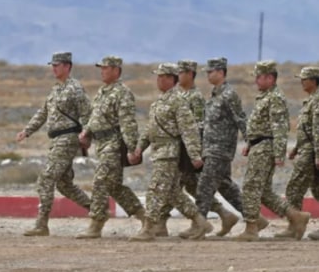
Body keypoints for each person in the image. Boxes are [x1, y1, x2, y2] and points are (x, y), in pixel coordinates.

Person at [128, 63, 209, 241]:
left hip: (169, 152)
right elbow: (150, 130)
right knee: (173, 193)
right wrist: (140, 148)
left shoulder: (178, 101)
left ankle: (149, 228)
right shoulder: (158, 102)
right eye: (158, 76)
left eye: (163, 76)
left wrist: (195, 155)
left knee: (155, 189)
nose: (159, 80)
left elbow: (189, 129)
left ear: (172, 79)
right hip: (158, 152)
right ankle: (200, 222)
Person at [159, 60, 239, 238]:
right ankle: (223, 214)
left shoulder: (195, 97)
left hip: (189, 150)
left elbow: (197, 126)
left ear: (189, 74)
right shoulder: (182, 95)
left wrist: (194, 151)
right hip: (182, 148)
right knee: (189, 186)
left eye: (181, 73)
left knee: (177, 185)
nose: (178, 76)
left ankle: (168, 222)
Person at [16, 52, 91, 237]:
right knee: (64, 184)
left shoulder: (75, 89)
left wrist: (86, 135)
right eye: (52, 65)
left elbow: (87, 113)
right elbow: (43, 113)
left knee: (47, 178)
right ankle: (97, 210)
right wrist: (27, 131)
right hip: (56, 140)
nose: (53, 68)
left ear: (67, 66)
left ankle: (42, 224)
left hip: (68, 139)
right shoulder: (55, 90)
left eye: (57, 65)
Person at [234, 60, 310, 241]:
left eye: (259, 77)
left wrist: (278, 154)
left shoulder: (275, 98)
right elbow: (260, 126)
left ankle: (252, 227)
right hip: (259, 146)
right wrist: (250, 144)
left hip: (266, 148)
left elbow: (279, 128)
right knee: (264, 191)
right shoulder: (265, 97)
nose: (256, 81)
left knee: (251, 187)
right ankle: (295, 216)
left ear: (269, 78)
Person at [76, 56, 146, 239]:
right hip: (101, 144)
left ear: (116, 70)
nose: (102, 71)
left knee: (100, 181)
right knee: (114, 186)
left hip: (114, 144)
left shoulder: (123, 93)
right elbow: (95, 117)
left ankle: (96, 222)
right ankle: (147, 218)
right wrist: (87, 133)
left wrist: (132, 148)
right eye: (101, 68)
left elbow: (128, 123)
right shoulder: (103, 92)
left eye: (105, 68)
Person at [193, 57, 257, 237]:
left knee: (204, 186)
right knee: (226, 186)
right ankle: (255, 218)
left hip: (220, 149)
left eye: (210, 71)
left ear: (221, 72)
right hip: (210, 148)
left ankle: (199, 225)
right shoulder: (215, 94)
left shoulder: (229, 94)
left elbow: (240, 118)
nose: (207, 74)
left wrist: (249, 142)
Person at [277, 67, 319, 239]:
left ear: (314, 81)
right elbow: (307, 130)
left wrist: (317, 154)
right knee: (317, 189)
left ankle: (294, 227)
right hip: (307, 149)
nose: (302, 82)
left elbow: (317, 130)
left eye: (305, 79)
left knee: (294, 188)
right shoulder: (310, 101)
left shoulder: (317, 101)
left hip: (312, 151)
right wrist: (295, 149)